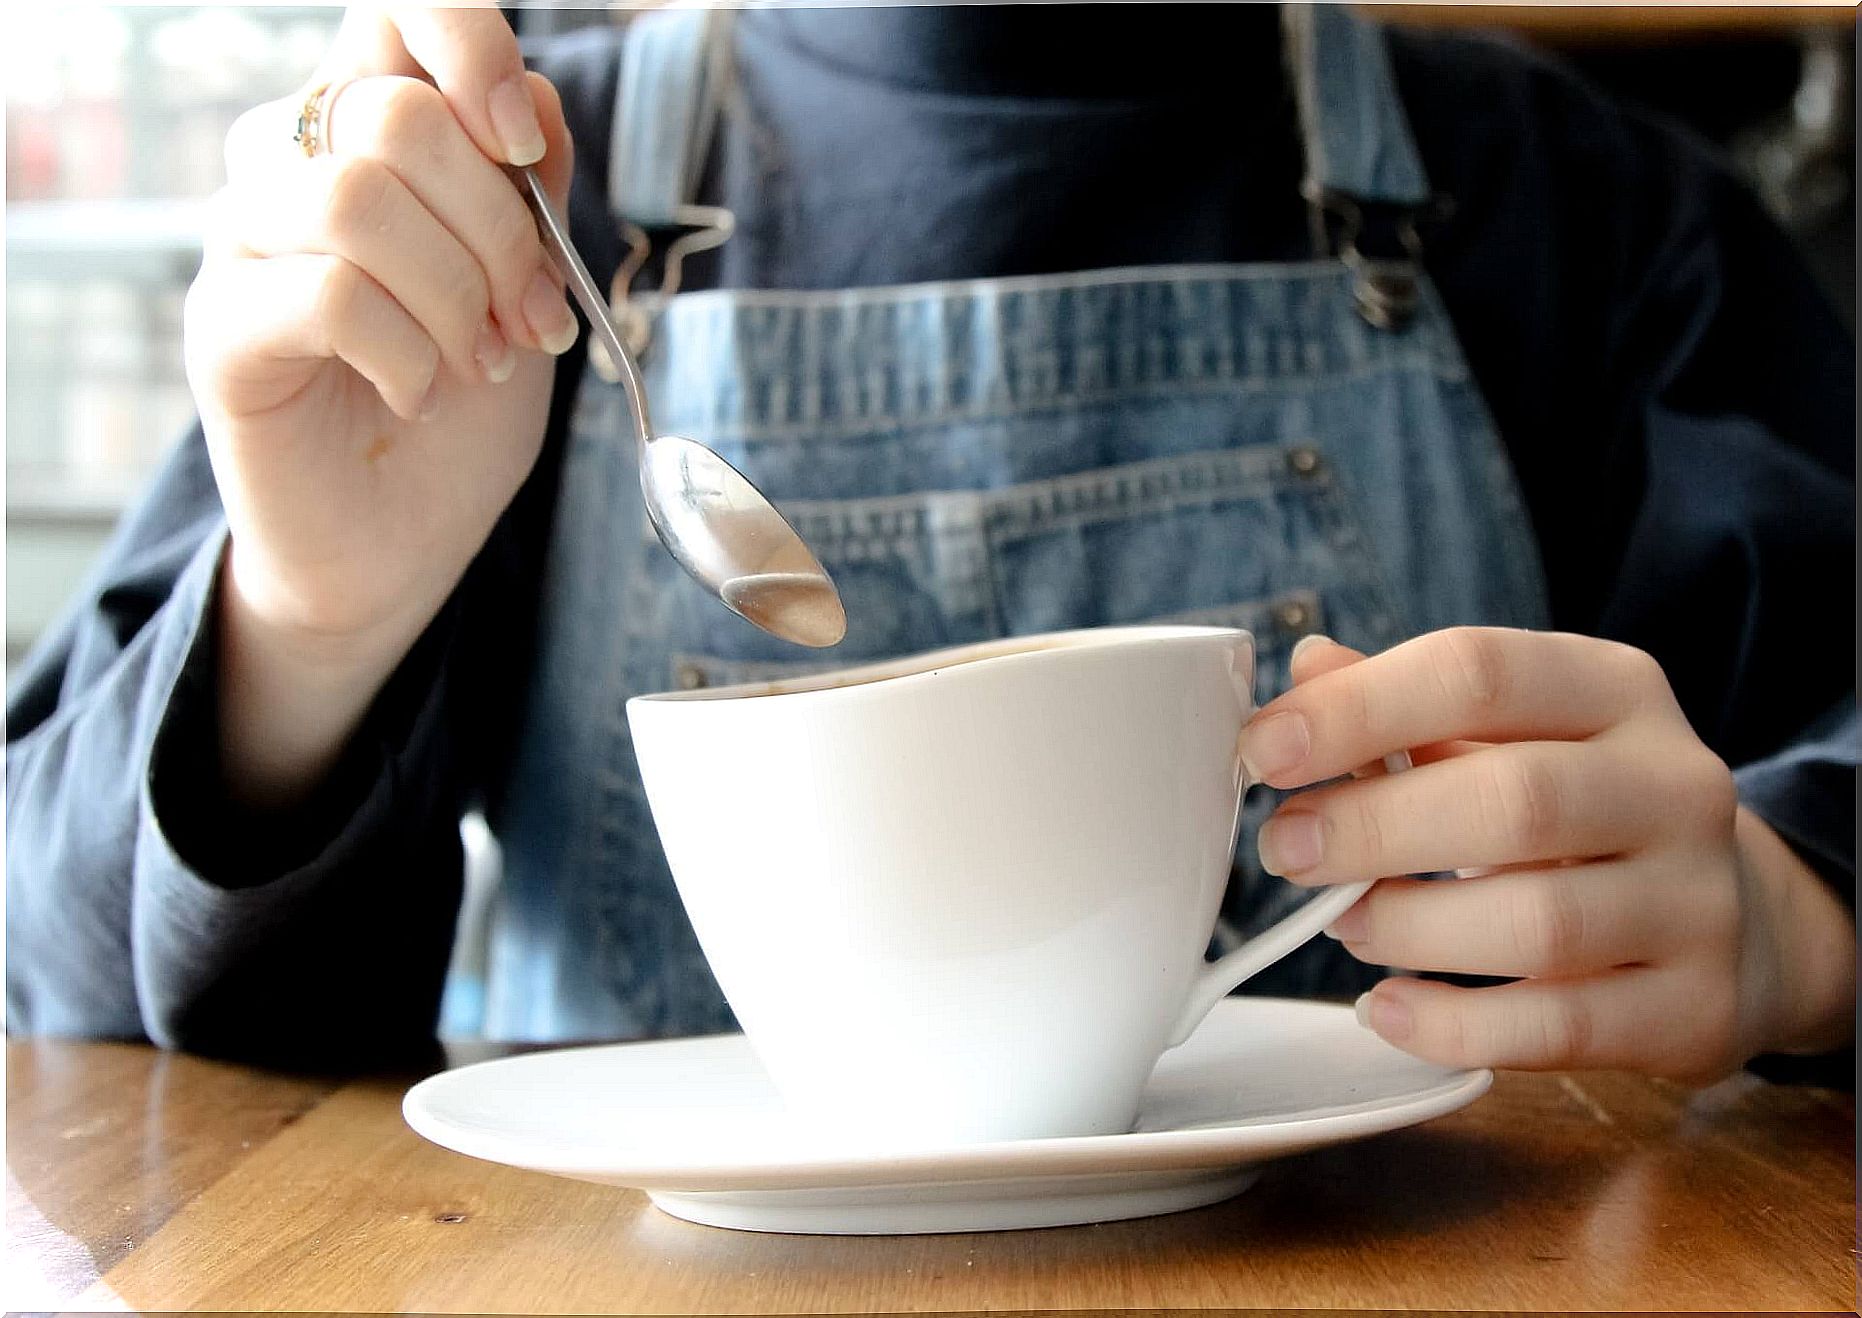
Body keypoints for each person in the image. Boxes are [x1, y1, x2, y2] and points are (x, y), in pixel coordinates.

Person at [7, 4, 1854, 1084]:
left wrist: (1797, 918)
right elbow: (57, 977)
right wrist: (311, 621)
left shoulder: (1589, 216)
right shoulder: (472, 240)